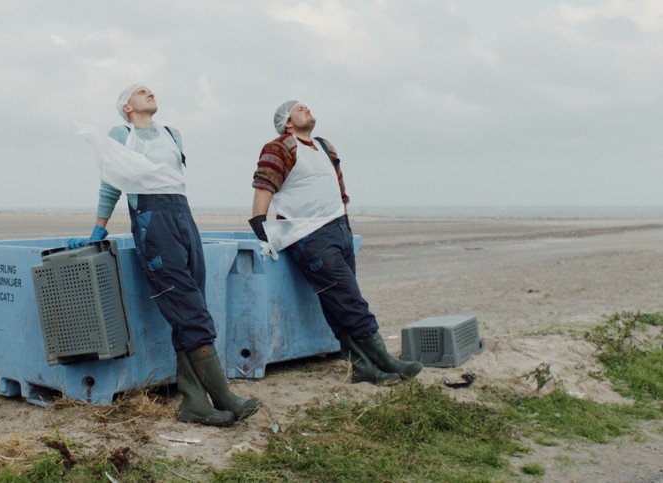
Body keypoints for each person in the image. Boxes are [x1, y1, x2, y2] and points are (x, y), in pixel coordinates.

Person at [70, 85, 260, 426]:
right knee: (189, 308)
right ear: (126, 107)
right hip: (151, 220)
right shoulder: (121, 134)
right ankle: (224, 397)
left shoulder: (173, 134)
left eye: (149, 88)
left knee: (193, 306)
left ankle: (194, 402)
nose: (148, 91)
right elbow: (111, 183)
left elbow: (172, 180)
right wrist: (98, 229)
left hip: (183, 215)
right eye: (138, 91)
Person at [248, 100, 422, 386]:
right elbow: (264, 184)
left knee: (338, 304)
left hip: (339, 230)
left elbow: (339, 190)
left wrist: (346, 226)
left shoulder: (325, 146)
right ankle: (385, 360)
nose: (306, 108)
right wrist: (259, 223)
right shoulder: (279, 147)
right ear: (287, 123)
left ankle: (362, 367)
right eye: (299, 108)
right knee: (351, 300)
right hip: (310, 235)